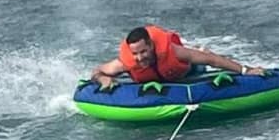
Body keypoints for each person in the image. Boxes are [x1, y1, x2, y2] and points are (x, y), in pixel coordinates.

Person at [90, 24, 266, 91]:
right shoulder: (125, 62)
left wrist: (246, 70)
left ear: (151, 46)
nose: (139, 58)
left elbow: (211, 60)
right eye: (135, 53)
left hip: (187, 71)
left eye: (143, 52)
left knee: (201, 61)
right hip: (153, 79)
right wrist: (104, 79)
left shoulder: (173, 52)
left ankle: (198, 49)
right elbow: (97, 71)